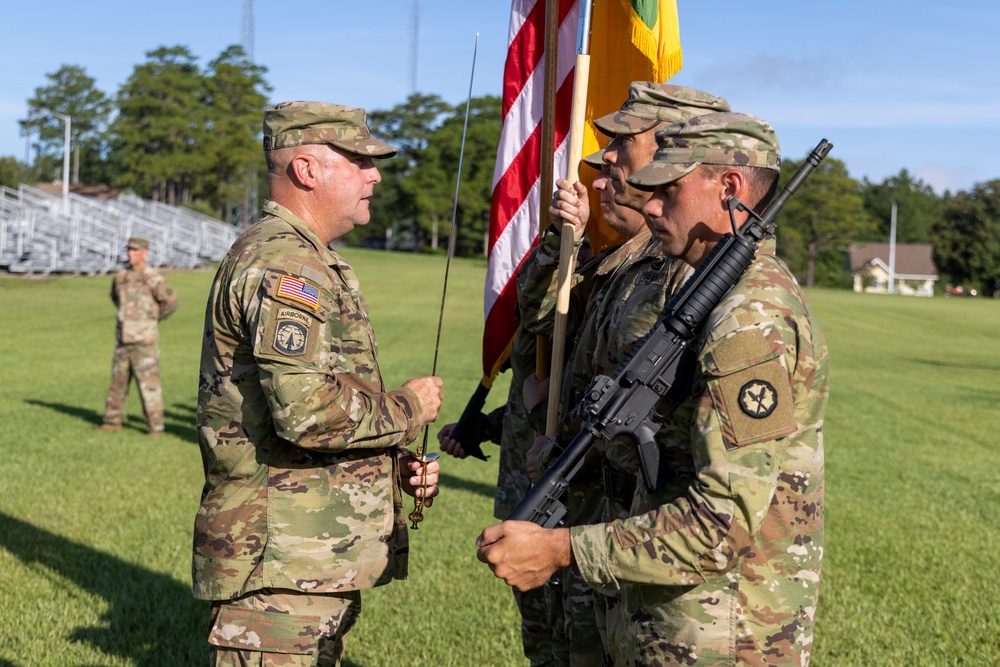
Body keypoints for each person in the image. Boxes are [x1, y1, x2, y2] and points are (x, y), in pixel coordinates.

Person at [477, 112, 830, 666]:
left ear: (731, 189)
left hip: (719, 634)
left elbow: (720, 523)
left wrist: (560, 549)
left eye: (667, 191)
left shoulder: (749, 317)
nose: (651, 208)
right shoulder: (706, 298)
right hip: (666, 620)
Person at [193, 101, 444, 667]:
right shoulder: (286, 264)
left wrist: (388, 459)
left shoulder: (310, 258)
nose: (375, 174)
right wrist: (409, 408)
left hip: (304, 561)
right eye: (359, 159)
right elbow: (306, 414)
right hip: (278, 565)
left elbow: (313, 399)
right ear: (307, 170)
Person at [517, 83, 729, 665]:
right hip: (606, 533)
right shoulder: (631, 265)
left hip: (646, 553)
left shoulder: (700, 279)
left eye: (621, 143)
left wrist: (546, 419)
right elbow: (540, 323)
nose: (605, 159)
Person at [99, 236, 178, 436]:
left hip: (145, 342)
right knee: (117, 384)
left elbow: (171, 302)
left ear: (145, 253)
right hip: (123, 340)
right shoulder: (120, 277)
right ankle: (112, 421)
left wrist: (152, 319)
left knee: (149, 388)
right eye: (129, 250)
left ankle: (155, 427)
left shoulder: (153, 278)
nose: (131, 254)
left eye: (135, 251)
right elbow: (115, 298)